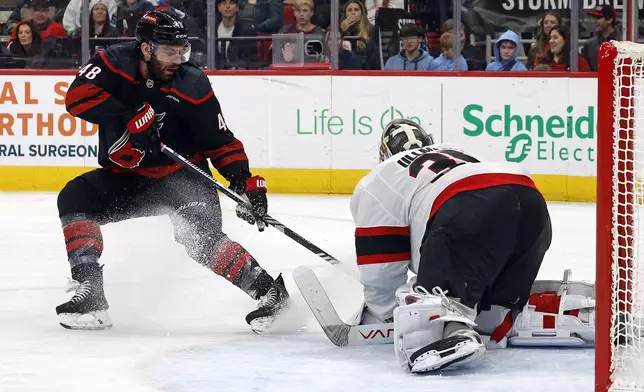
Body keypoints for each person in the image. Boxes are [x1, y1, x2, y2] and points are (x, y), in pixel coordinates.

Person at [57, 10, 291, 333]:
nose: (177, 59)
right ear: (146, 49)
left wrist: (245, 184)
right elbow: (76, 98)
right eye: (169, 52)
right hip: (133, 177)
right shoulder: (114, 64)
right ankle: (91, 293)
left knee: (201, 240)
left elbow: (220, 142)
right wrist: (128, 115)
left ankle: (271, 293)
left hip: (184, 174)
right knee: (74, 197)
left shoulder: (192, 83)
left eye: (182, 51)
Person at [350, 119, 554, 372]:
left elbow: (380, 262)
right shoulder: (458, 151)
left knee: (438, 303)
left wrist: (385, 314)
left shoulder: (381, 177)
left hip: (469, 208)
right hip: (530, 202)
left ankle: (453, 329)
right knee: (492, 317)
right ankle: (556, 312)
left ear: (384, 153)